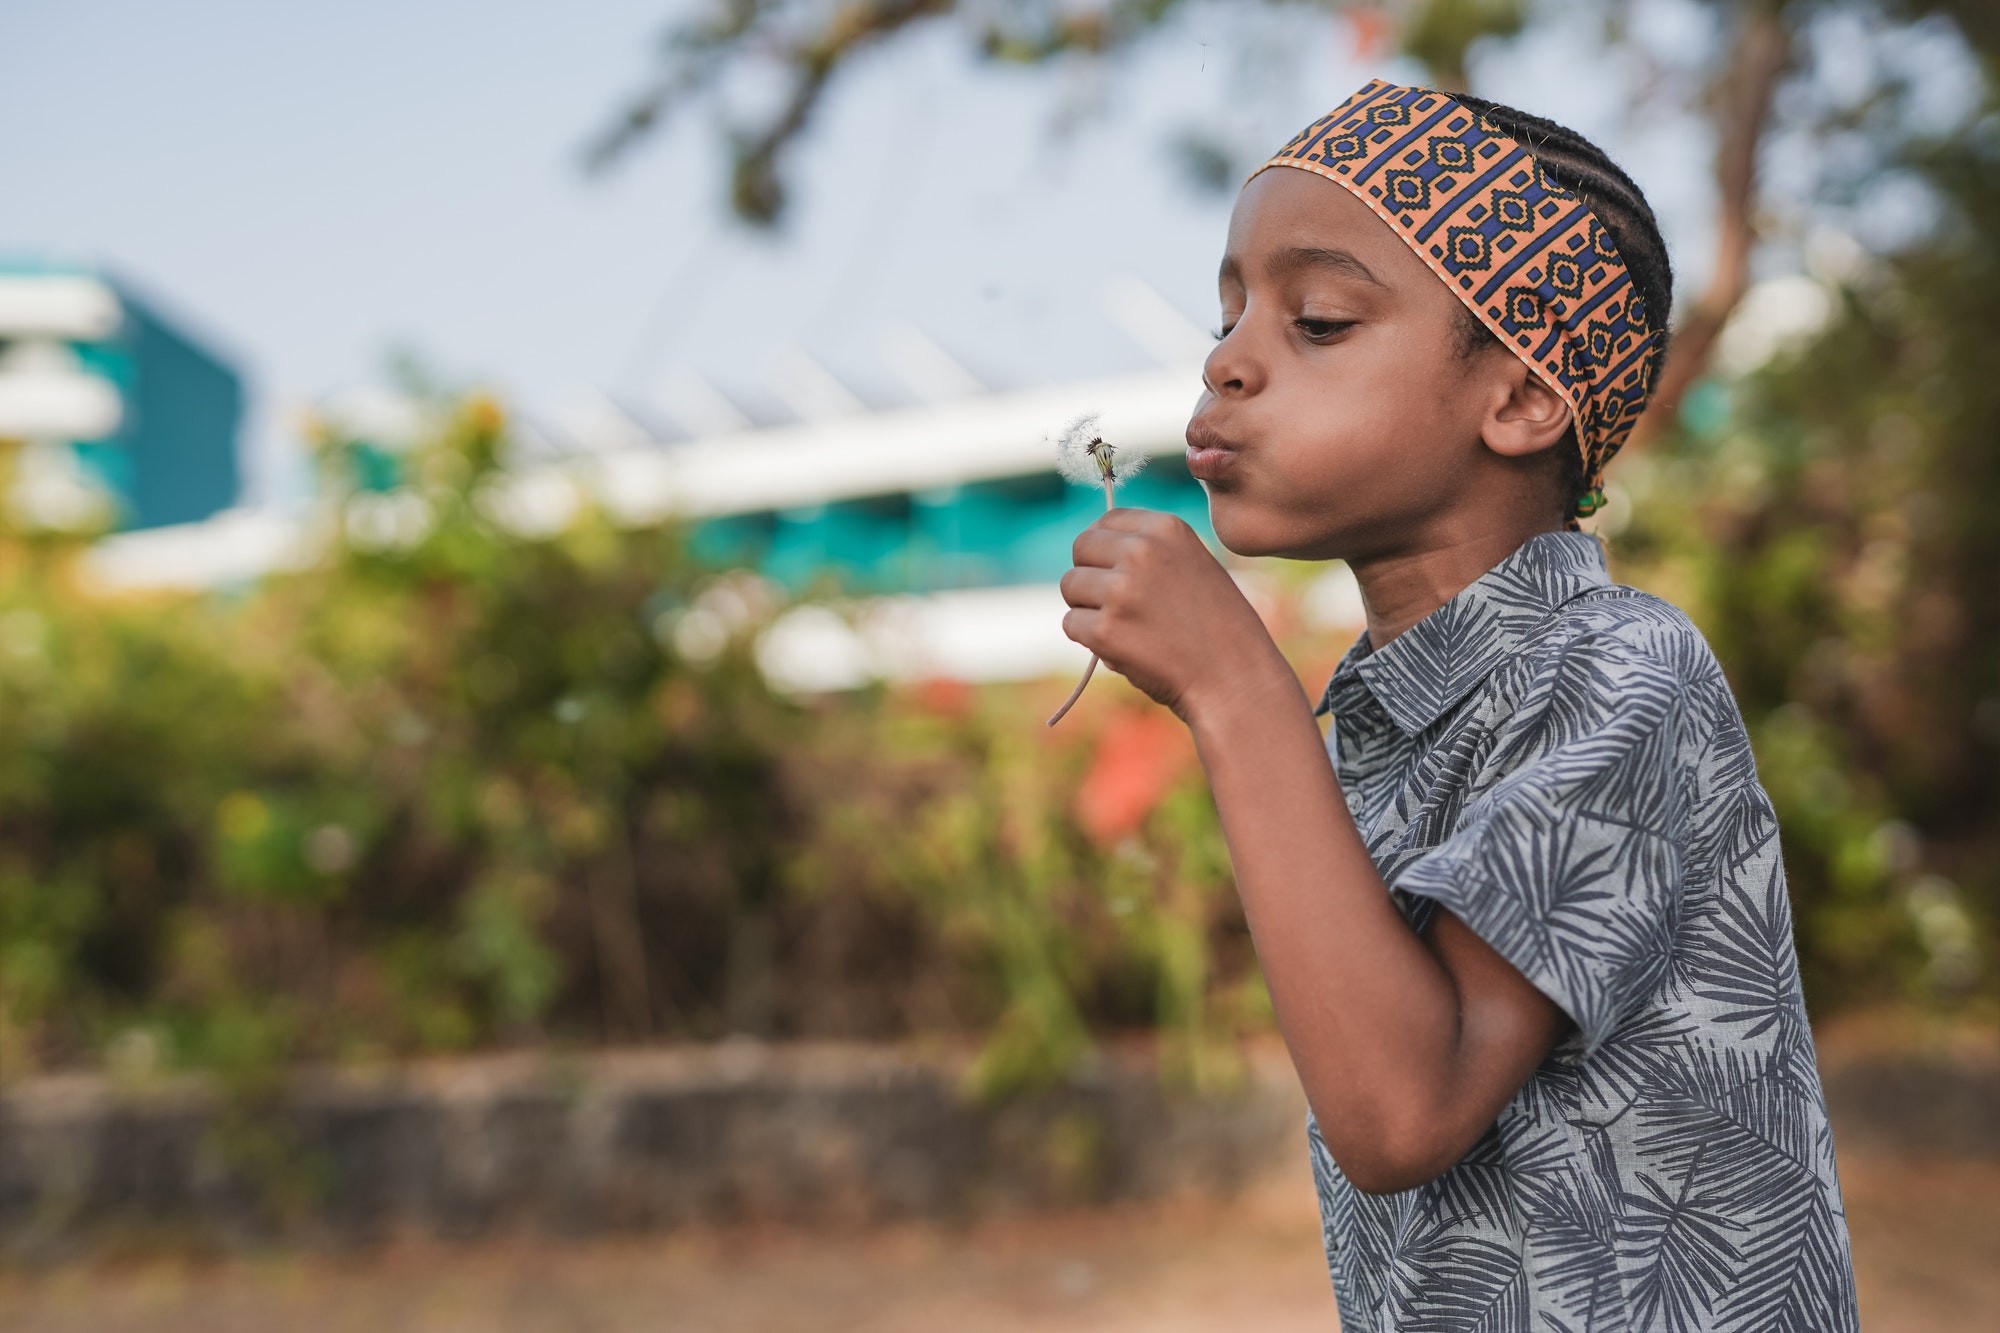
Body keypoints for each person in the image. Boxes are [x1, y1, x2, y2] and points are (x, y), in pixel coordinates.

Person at [1057, 80, 1860, 1331]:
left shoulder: (1620, 672)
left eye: (1316, 320)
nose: (1225, 360)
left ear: (1520, 399)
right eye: (1230, 312)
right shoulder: (1390, 710)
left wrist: (1231, 688)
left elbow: (1401, 1109)